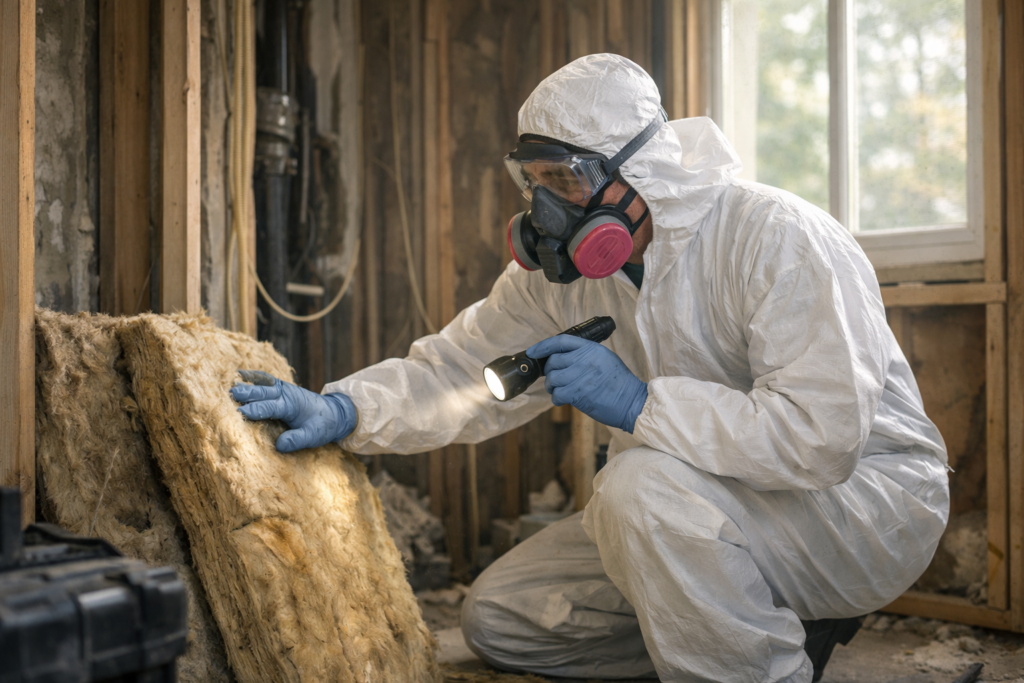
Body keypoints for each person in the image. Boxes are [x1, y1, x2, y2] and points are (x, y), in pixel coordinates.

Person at [230, 54, 949, 683]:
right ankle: (734, 624)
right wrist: (347, 409)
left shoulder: (775, 238)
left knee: (637, 485)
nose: (546, 207)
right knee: (502, 618)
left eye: (566, 179)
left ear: (637, 172)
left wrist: (642, 405)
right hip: (706, 506)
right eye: (532, 179)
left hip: (861, 507)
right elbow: (458, 365)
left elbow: (822, 436)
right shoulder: (562, 277)